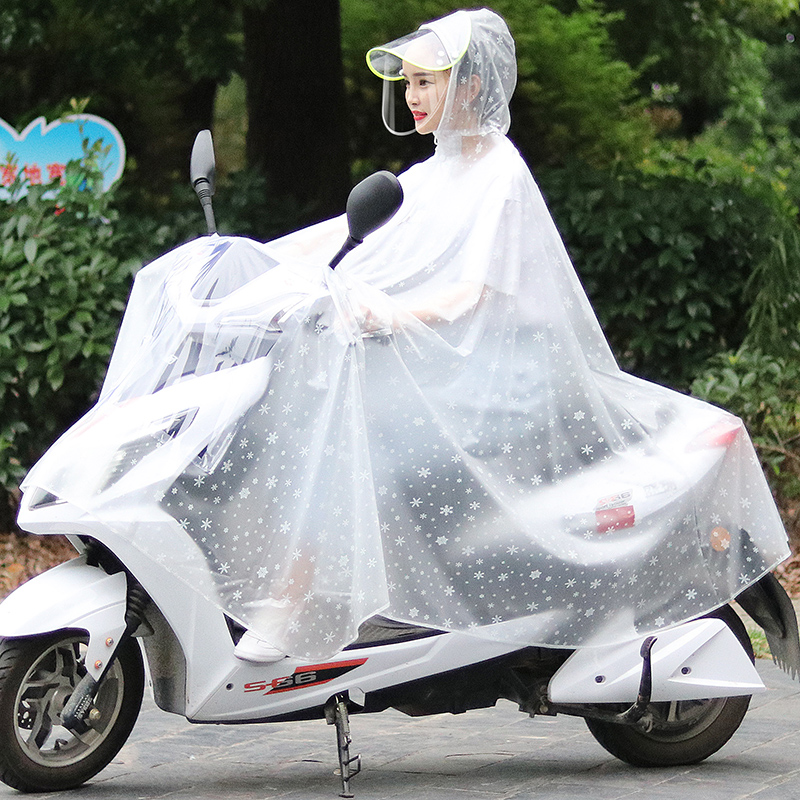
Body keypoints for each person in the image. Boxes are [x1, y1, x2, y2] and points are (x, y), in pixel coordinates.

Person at [24, 9, 790, 664]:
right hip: (440, 363)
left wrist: (390, 314)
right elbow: (341, 241)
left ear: (474, 86)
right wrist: (250, 265)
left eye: (430, 81)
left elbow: (473, 294)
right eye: (412, 83)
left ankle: (302, 602)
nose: (415, 96)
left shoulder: (499, 175)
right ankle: (307, 592)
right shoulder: (429, 174)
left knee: (341, 434)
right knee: (291, 414)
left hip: (494, 373)